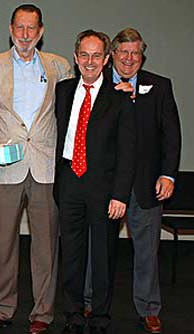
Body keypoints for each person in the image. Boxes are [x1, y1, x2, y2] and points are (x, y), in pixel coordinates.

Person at [0, 4, 72, 334]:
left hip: (46, 168)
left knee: (45, 246)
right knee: (3, 244)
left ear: (41, 31)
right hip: (4, 168)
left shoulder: (60, 66)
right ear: (11, 30)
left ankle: (42, 313)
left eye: (32, 29)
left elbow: (74, 114)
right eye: (20, 28)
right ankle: (2, 308)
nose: (25, 35)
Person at [54, 30, 136, 334]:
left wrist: (120, 195)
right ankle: (73, 314)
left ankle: (100, 316)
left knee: (103, 256)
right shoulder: (62, 91)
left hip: (104, 190)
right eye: (84, 55)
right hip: (68, 182)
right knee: (71, 254)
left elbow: (128, 153)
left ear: (106, 59)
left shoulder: (120, 98)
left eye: (96, 55)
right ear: (76, 58)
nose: (90, 61)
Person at [110, 28, 181, 334]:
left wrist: (168, 174)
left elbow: (172, 136)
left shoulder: (160, 86)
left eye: (135, 53)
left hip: (147, 185)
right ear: (113, 54)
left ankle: (149, 309)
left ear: (142, 55)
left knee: (147, 252)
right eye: (123, 52)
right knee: (96, 248)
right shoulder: (96, 85)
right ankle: (89, 303)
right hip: (106, 186)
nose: (129, 59)